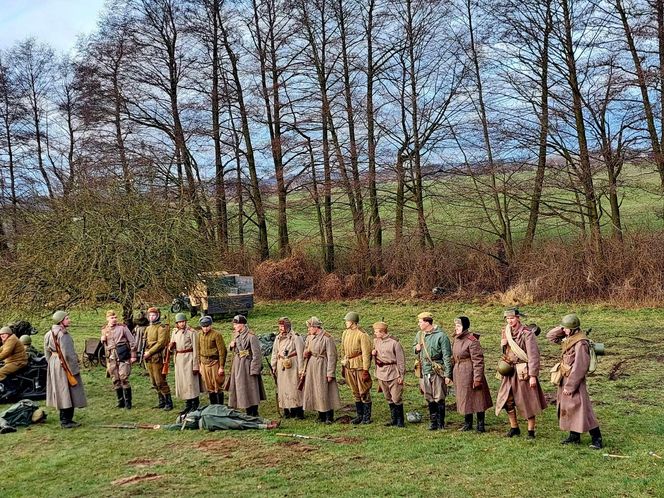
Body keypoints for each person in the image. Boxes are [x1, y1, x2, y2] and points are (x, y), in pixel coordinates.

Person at [547, 314, 603, 449]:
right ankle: (574, 436)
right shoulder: (569, 337)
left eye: (566, 328)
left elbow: (580, 366)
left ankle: (597, 439)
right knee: (569, 408)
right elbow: (550, 337)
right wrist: (562, 327)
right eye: (564, 328)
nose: (564, 331)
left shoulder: (580, 343)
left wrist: (570, 386)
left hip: (573, 380)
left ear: (573, 329)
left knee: (584, 409)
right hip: (564, 377)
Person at [495, 308, 547, 439]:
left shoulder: (527, 334)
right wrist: (503, 345)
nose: (510, 321)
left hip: (523, 371)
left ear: (518, 318)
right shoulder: (506, 331)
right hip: (509, 370)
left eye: (512, 318)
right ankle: (514, 428)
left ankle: (530, 431)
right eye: (507, 318)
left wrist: (533, 376)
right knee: (507, 401)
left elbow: (533, 356)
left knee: (527, 401)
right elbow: (505, 352)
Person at [44, 311, 87, 428]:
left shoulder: (49, 333)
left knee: (60, 390)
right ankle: (66, 420)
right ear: (60, 321)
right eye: (67, 318)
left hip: (54, 363)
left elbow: (46, 353)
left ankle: (64, 419)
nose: (69, 320)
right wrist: (74, 369)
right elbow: (68, 354)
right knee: (68, 391)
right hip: (64, 364)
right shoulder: (63, 334)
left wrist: (52, 363)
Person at [451, 316, 493, 433]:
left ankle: (480, 424)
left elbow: (478, 360)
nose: (456, 328)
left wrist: (478, 378)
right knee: (465, 397)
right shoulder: (456, 339)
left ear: (464, 326)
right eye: (456, 325)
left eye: (459, 326)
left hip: (470, 372)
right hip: (459, 372)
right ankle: (467, 423)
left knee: (478, 397)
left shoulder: (472, 340)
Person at [413, 312, 452, 430]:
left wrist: (447, 374)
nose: (419, 324)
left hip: (437, 370)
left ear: (427, 322)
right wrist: (416, 348)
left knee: (439, 397)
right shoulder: (419, 335)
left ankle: (441, 423)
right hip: (424, 370)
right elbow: (414, 347)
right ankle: (433, 422)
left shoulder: (442, 336)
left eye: (420, 322)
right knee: (429, 396)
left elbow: (447, 356)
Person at [300, 317, 341, 424]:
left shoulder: (327, 338)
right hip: (312, 365)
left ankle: (329, 415)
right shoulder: (310, 337)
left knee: (324, 390)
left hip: (322, 366)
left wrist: (330, 373)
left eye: (309, 327)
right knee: (315, 390)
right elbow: (306, 348)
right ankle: (320, 414)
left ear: (315, 327)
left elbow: (332, 356)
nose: (308, 330)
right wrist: (305, 352)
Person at [227, 315, 266, 416]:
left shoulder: (251, 336)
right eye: (234, 324)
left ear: (242, 325)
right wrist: (231, 346)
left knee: (252, 388)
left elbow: (257, 355)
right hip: (238, 365)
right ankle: (247, 409)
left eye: (236, 324)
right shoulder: (235, 334)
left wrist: (254, 369)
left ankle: (254, 411)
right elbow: (234, 349)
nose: (234, 326)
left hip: (248, 365)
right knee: (241, 388)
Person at [371, 321, 406, 428]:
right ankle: (394, 419)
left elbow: (401, 360)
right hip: (381, 372)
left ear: (382, 332)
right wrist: (373, 354)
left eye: (376, 332)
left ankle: (400, 420)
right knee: (388, 397)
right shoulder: (375, 341)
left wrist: (401, 375)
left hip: (393, 372)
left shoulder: (395, 343)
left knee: (396, 397)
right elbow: (375, 358)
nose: (375, 333)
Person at [101, 310, 137, 409]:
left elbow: (132, 342)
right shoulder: (104, 329)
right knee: (115, 379)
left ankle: (128, 402)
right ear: (107, 318)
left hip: (123, 355)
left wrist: (133, 355)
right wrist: (102, 339)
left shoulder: (122, 328)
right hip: (111, 357)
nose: (114, 319)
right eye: (112, 318)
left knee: (123, 378)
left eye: (115, 317)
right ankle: (120, 402)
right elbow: (105, 346)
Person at [341, 311, 373, 424]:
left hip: (359, 365)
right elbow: (343, 350)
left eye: (347, 321)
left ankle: (367, 417)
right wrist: (343, 364)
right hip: (349, 365)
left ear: (353, 322)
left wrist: (365, 369)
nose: (346, 323)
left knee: (363, 390)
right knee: (355, 391)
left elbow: (366, 353)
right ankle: (359, 415)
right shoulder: (345, 333)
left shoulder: (362, 334)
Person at [270, 317, 305, 419]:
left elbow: (300, 354)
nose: (281, 328)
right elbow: (275, 352)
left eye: (282, 326)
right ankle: (286, 411)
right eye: (279, 326)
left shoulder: (296, 337)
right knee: (283, 388)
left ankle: (298, 411)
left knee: (294, 388)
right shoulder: (277, 338)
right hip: (281, 366)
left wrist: (301, 369)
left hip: (293, 365)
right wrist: (273, 365)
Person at [169, 313, 203, 415]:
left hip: (189, 358)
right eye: (180, 322)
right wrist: (171, 347)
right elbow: (172, 345)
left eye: (183, 322)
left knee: (191, 382)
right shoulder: (174, 332)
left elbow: (196, 349)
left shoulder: (192, 332)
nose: (182, 324)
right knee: (183, 383)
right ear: (177, 323)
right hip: (179, 359)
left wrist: (195, 364)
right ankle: (188, 405)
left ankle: (195, 404)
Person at [142, 307, 173, 411]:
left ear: (158, 315)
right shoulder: (148, 328)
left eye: (154, 315)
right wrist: (144, 352)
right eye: (150, 315)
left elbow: (161, 343)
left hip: (157, 358)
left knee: (160, 380)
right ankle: (161, 401)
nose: (152, 317)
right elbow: (145, 341)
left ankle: (168, 402)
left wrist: (149, 352)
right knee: (154, 381)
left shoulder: (161, 327)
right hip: (149, 358)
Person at [197, 315, 227, 405]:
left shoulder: (216, 335)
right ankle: (213, 406)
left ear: (211, 325)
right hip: (204, 363)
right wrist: (199, 364)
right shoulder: (199, 335)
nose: (205, 328)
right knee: (208, 385)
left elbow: (222, 351)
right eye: (203, 326)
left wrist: (221, 366)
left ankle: (220, 406)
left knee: (217, 384)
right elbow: (198, 350)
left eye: (207, 326)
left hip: (214, 362)